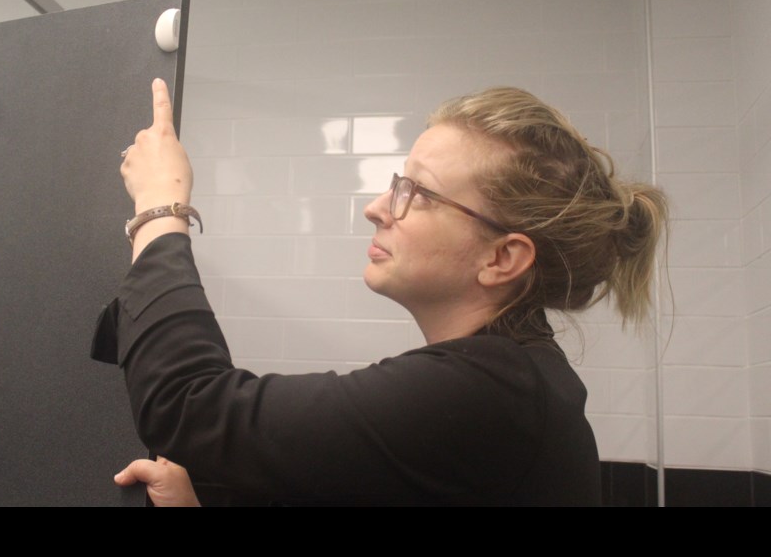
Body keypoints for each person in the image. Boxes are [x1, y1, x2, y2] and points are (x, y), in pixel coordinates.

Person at [94, 78, 668, 506]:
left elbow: (190, 407)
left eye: (417, 192)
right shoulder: (513, 379)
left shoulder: (488, 392)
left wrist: (159, 206)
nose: (376, 208)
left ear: (503, 258)